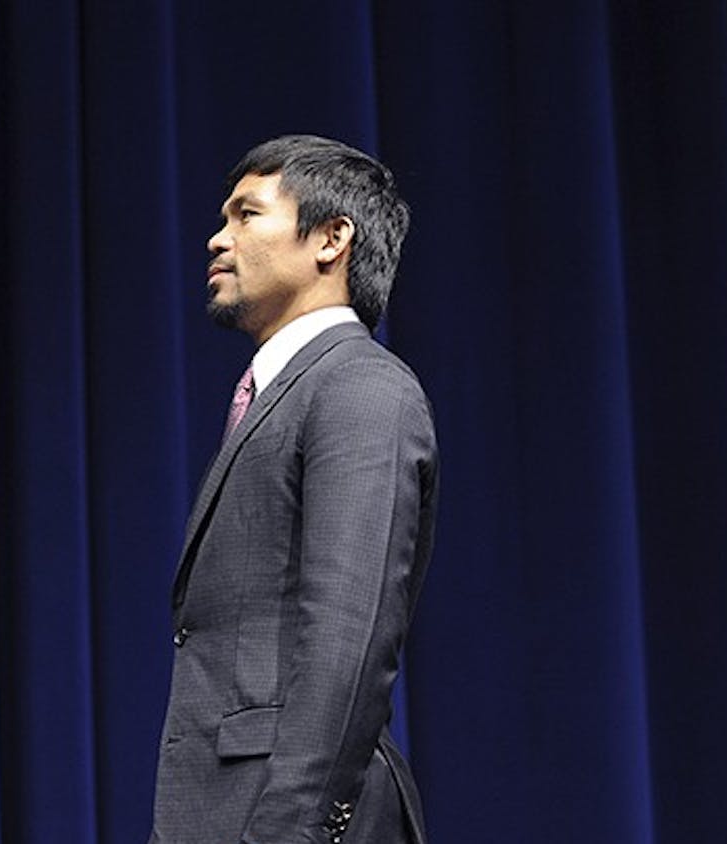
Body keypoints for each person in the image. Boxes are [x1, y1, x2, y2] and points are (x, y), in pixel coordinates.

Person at [152, 135, 437, 844]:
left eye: (246, 214)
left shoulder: (360, 386)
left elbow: (349, 634)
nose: (218, 238)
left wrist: (292, 831)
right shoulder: (282, 393)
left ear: (332, 239)